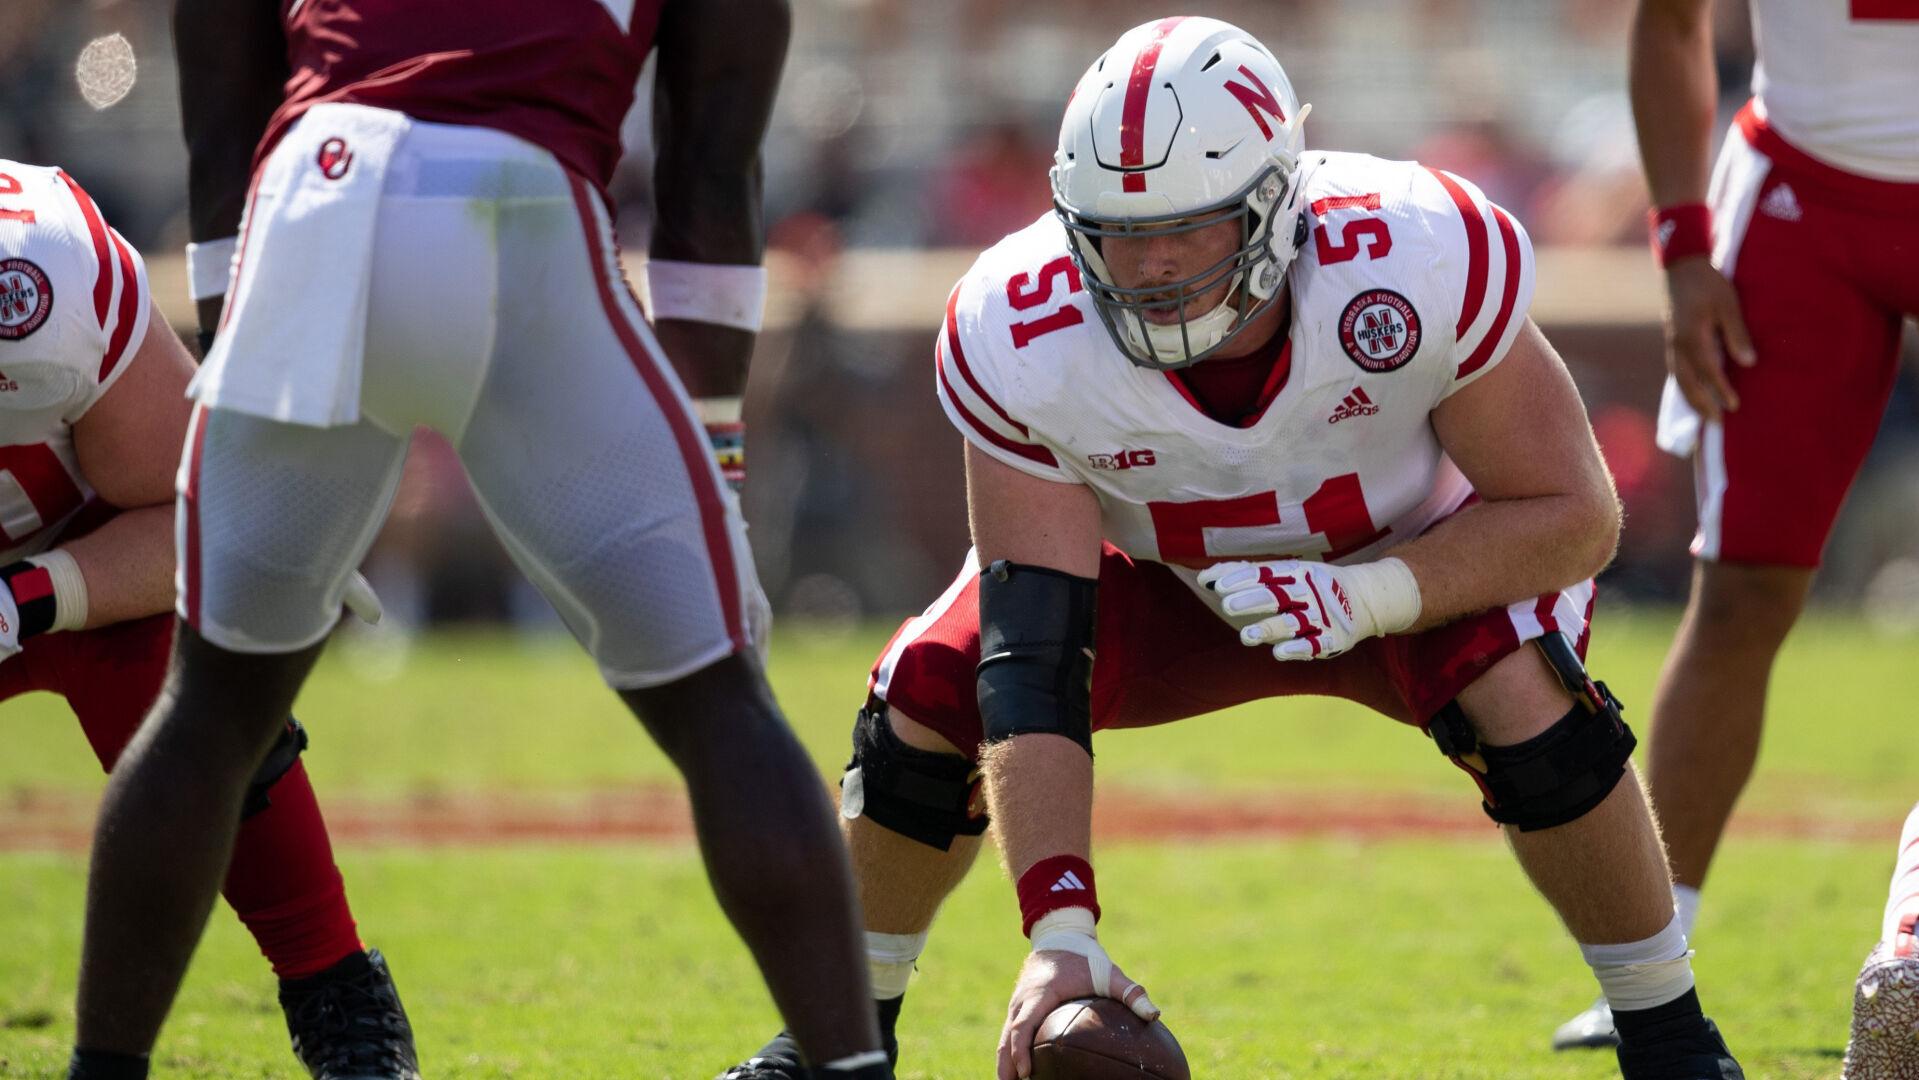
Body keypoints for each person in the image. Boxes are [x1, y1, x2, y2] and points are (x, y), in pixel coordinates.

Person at [725, 16, 1742, 1080]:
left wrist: (1373, 597)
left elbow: (1574, 516)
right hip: (1156, 575)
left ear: (1274, 204)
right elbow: (1028, 652)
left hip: (1407, 556)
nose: (1152, 265)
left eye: (1188, 228)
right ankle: (834, 1039)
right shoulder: (1016, 324)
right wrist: (1058, 933)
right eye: (1119, 233)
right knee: (928, 690)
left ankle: (1668, 1034)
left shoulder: (1415, 249)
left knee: (1528, 696)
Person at [63, 1, 892, 1078]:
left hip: (317, 197)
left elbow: (222, 133)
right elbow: (708, 184)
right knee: (717, 697)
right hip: (523, 202)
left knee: (209, 707)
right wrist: (715, 461)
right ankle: (847, 1068)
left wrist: (245, 403)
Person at [1552, 0, 1919, 1052]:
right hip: (1800, 199)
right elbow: (1668, 23)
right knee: (1743, 586)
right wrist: (1680, 249)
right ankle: (1649, 962)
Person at [0, 159, 417, 1077]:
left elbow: (200, 511)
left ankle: (334, 988)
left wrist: (27, 598)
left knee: (201, 704)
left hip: (79, 567)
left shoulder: (40, 275)